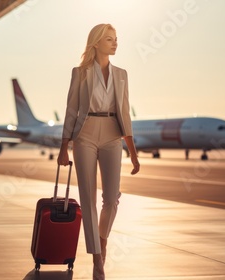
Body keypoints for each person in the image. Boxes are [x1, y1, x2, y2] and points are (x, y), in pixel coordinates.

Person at [57, 23, 140, 280]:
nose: (115, 43)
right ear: (96, 43)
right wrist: (64, 147)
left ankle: (101, 241)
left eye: (116, 39)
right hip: (86, 133)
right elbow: (71, 110)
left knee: (112, 199)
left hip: (112, 134)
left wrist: (133, 152)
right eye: (109, 39)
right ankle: (96, 259)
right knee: (89, 199)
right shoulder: (80, 72)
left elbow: (124, 113)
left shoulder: (122, 74)